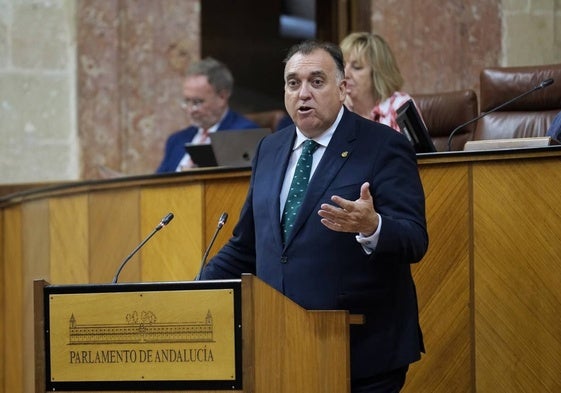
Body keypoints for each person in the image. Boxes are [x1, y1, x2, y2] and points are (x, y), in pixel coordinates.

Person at [199, 40, 428, 393]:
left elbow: (414, 239)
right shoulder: (270, 148)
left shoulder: (382, 145)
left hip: (361, 352)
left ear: (342, 88)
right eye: (293, 83)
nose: (303, 93)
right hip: (280, 349)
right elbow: (246, 247)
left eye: (316, 82)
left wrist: (373, 227)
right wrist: (192, 291)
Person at [156, 57, 259, 173]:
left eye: (197, 102)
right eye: (186, 101)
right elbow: (155, 185)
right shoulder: (176, 140)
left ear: (222, 97)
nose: (190, 110)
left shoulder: (244, 134)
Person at [340, 32, 414, 132]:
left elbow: (410, 148)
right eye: (342, 65)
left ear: (377, 74)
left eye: (357, 67)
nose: (346, 74)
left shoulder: (399, 106)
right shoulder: (338, 110)